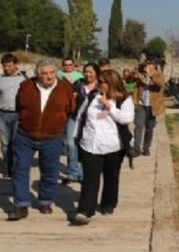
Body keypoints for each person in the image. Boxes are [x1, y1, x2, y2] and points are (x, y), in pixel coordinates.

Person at [7, 58, 75, 221]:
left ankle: (45, 200)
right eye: (44, 74)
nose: (49, 77)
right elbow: (19, 107)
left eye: (52, 73)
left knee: (50, 171)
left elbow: (71, 108)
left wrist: (58, 122)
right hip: (25, 135)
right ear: (38, 75)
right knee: (20, 170)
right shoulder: (26, 86)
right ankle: (21, 205)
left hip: (52, 137)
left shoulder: (65, 88)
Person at [72, 69, 134, 224]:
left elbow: (127, 119)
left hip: (113, 146)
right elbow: (81, 115)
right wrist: (75, 137)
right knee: (90, 178)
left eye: (102, 82)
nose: (98, 84)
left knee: (111, 177)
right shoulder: (93, 96)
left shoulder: (124, 99)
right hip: (90, 144)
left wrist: (109, 107)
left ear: (111, 83)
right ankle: (85, 211)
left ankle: (108, 204)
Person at [0, 53, 27, 177]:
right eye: (5, 66)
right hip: (2, 115)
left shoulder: (23, 78)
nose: (7, 68)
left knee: (16, 143)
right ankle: (8, 167)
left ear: (15, 65)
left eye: (9, 66)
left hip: (18, 115)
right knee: (5, 143)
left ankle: (16, 167)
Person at [62, 62, 100, 185]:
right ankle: (73, 173)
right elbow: (68, 100)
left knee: (85, 147)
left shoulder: (101, 87)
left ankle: (83, 174)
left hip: (90, 122)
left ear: (96, 73)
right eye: (86, 72)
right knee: (71, 144)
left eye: (91, 72)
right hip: (74, 118)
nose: (88, 74)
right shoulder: (78, 85)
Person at [132, 57, 165, 156]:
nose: (147, 65)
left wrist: (150, 75)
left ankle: (146, 148)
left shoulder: (159, 75)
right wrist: (136, 70)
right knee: (139, 125)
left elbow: (160, 84)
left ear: (154, 65)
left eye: (149, 63)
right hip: (141, 104)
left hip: (152, 106)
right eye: (146, 63)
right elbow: (130, 77)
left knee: (149, 128)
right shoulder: (141, 74)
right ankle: (136, 149)